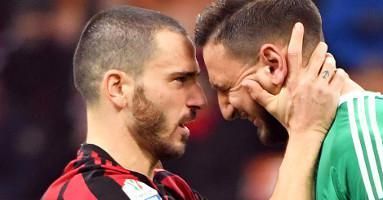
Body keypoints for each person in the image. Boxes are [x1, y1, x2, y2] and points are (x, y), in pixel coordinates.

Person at [43, 5, 346, 200]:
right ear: (118, 87)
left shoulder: (173, 190)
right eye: (179, 80)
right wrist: (305, 134)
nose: (200, 99)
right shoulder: (84, 195)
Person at [195, 0, 383, 199]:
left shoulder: (364, 138)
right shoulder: (334, 136)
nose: (225, 109)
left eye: (227, 88)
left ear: (273, 65)